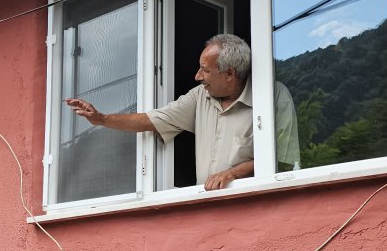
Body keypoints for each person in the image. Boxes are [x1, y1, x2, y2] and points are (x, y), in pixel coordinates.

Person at [67, 33, 295, 190]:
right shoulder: (199, 96)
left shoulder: (273, 97)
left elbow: (283, 162)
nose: (197, 76)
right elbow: (149, 120)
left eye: (204, 70)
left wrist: (234, 174)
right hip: (208, 213)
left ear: (230, 74)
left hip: (255, 213)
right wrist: (102, 118)